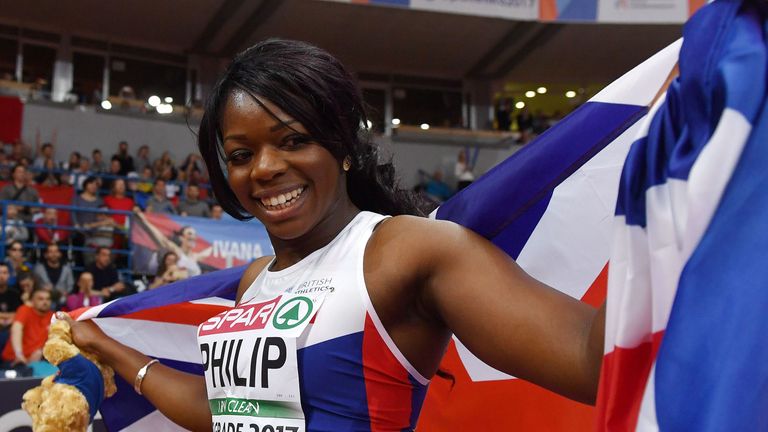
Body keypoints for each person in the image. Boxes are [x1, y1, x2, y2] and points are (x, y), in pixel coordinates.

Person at [63, 40, 604, 431]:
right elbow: (226, 413)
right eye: (241, 155)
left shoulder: (404, 250)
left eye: (293, 140)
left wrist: (670, 217)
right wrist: (107, 345)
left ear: (342, 146)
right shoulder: (254, 281)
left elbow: (592, 358)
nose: (266, 168)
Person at [1, 288, 52, 366]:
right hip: (14, 359)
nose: (45, 302)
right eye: (40, 299)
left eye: (47, 299)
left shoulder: (53, 316)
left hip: (38, 361)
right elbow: (17, 328)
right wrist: (19, 354)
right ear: (32, 301)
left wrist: (41, 351)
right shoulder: (25, 310)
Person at [0, 263, 21, 354]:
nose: (1, 276)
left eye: (4, 273)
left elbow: (19, 313)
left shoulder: (15, 293)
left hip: (11, 325)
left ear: (9, 275)